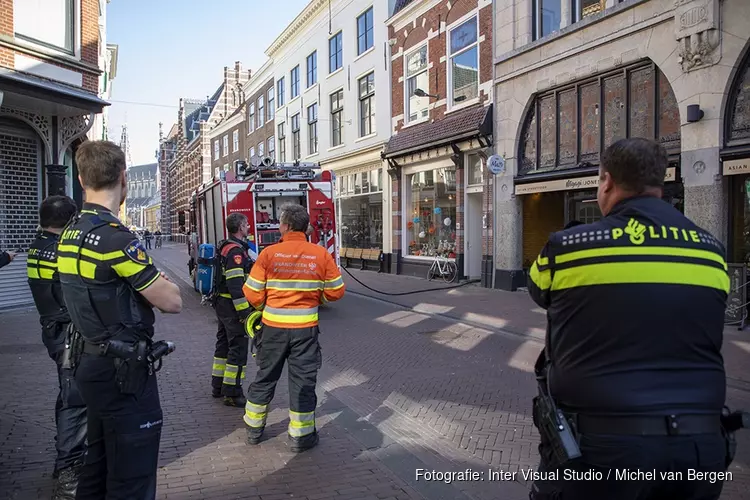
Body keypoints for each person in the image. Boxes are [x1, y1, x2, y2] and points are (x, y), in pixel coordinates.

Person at [527, 137, 731, 500]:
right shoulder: (711, 252)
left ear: (606, 181)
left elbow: (537, 290)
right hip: (699, 448)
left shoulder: (569, 248)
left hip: (603, 451)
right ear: (660, 182)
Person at [57, 140, 182, 499]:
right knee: (131, 479)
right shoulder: (115, 240)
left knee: (96, 469)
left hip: (89, 363)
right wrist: (161, 282)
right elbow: (171, 301)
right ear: (124, 179)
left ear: (81, 180)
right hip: (122, 373)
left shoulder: (70, 233)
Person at [242, 203, 345, 452]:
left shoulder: (268, 254)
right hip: (305, 332)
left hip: (273, 330)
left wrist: (268, 301)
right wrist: (316, 297)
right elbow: (336, 291)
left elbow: (252, 293)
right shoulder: (320, 254)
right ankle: (301, 437)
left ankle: (254, 431)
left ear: (285, 226)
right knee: (302, 382)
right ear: (305, 227)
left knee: (265, 377)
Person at [27, 195, 86, 500]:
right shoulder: (60, 253)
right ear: (68, 221)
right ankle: (69, 476)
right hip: (67, 335)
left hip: (52, 330)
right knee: (76, 402)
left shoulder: (37, 246)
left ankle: (66, 461)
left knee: (67, 397)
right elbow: (73, 296)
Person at [212, 212, 254, 407]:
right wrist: (244, 313)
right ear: (239, 227)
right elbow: (235, 284)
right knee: (237, 347)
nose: (248, 227)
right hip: (231, 305)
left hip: (221, 303)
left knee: (223, 345)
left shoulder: (225, 246)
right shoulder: (236, 252)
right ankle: (233, 392)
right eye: (246, 224)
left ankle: (218, 385)